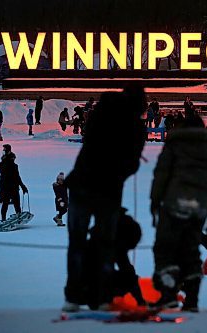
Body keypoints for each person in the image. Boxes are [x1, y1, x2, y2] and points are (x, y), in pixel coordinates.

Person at [62, 85, 147, 312]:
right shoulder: (136, 126)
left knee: (77, 243)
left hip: (81, 182)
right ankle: (100, 297)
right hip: (109, 191)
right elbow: (132, 162)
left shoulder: (101, 112)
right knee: (105, 244)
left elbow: (88, 140)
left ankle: (73, 296)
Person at [150, 115, 207, 312]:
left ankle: (168, 294)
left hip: (174, 203)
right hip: (198, 207)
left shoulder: (175, 144)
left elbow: (162, 173)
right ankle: (191, 301)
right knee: (190, 253)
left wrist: (155, 201)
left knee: (165, 250)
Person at [84, 208, 145, 310]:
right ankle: (102, 300)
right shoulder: (109, 244)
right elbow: (127, 272)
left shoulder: (104, 236)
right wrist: (140, 301)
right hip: (90, 289)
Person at [0, 147, 28, 221]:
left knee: (5, 204)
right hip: (13, 187)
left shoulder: (3, 164)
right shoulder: (13, 165)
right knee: (16, 204)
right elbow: (17, 178)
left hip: (6, 188)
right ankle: (18, 217)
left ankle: (3, 219)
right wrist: (23, 187)